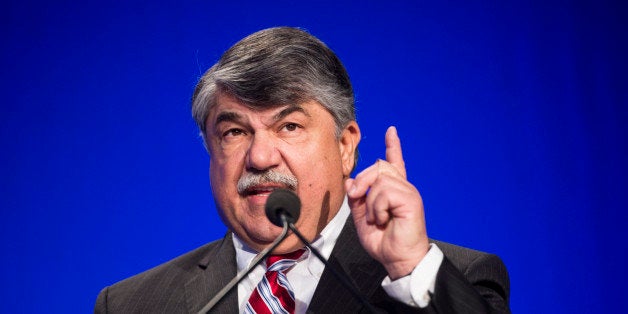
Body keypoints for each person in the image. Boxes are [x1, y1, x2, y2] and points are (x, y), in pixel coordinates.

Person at [94, 27, 510, 313]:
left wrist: (410, 268)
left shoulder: (453, 279)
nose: (260, 158)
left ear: (345, 146)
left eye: (289, 126)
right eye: (235, 132)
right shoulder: (133, 304)